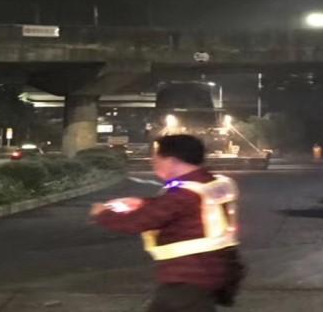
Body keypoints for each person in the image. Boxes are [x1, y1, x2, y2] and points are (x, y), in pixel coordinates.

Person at [91, 134, 244, 312]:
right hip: (212, 271)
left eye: (156, 157)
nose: (153, 161)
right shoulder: (210, 183)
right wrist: (143, 203)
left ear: (171, 160)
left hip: (188, 277)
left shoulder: (184, 194)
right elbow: (181, 208)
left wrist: (102, 213)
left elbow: (136, 222)